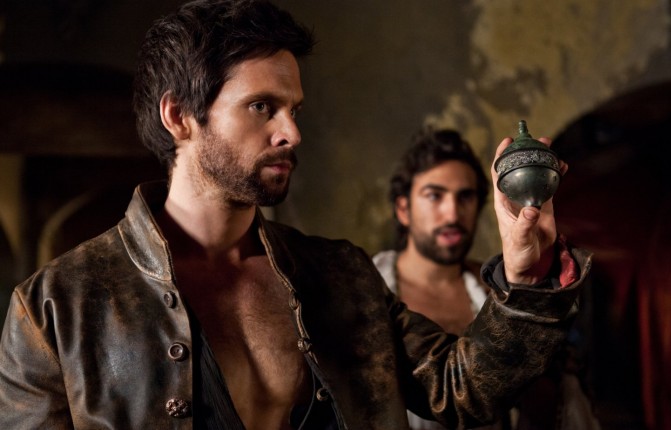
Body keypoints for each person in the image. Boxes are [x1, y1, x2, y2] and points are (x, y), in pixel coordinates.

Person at [0, 0, 592, 429]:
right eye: (262, 106)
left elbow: (460, 390)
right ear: (179, 117)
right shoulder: (56, 308)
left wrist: (525, 278)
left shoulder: (341, 275)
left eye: (294, 109)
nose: (291, 132)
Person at [373, 128, 600, 429]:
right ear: (404, 209)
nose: (452, 214)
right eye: (434, 196)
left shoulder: (500, 290)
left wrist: (534, 282)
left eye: (465, 196)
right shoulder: (368, 294)